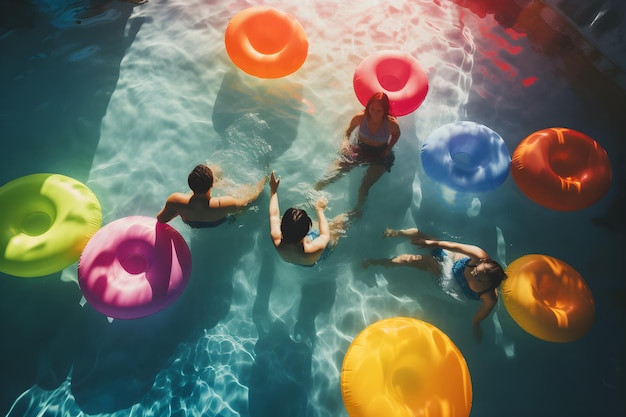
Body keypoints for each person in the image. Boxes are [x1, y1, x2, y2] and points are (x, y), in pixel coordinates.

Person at [362, 228, 507, 343]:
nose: (474, 272)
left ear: (488, 284)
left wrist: (475, 326)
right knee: (423, 236)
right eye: (476, 268)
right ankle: (396, 232)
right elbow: (454, 246)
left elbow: (477, 318)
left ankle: (377, 262)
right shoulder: (479, 255)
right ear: (481, 262)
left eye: (478, 276)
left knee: (413, 260)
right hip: (452, 261)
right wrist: (430, 243)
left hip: (451, 281)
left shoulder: (489, 297)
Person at [314, 92, 401, 215]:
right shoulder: (360, 117)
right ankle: (315, 188)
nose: (374, 113)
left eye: (379, 110)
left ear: (385, 111)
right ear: (368, 107)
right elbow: (348, 130)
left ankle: (358, 211)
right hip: (360, 149)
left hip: (380, 155)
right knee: (335, 172)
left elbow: (396, 135)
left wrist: (388, 149)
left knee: (364, 186)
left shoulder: (391, 123)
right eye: (372, 109)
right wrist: (345, 142)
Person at [269, 171, 347, 266]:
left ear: (282, 226)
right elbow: (325, 235)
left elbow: (273, 215)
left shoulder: (276, 238)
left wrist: (273, 191)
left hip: (296, 259)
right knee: (341, 220)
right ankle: (357, 212)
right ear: (306, 232)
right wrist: (319, 210)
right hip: (316, 258)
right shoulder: (313, 249)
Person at [157, 164, 265, 228]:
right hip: (217, 222)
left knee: (216, 170)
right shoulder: (223, 204)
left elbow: (161, 219)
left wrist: (181, 209)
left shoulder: (176, 200)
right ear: (212, 185)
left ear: (190, 185)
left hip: (191, 223)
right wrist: (264, 181)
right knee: (242, 200)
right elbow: (248, 201)